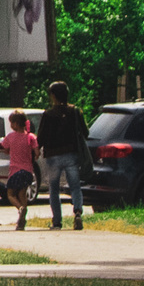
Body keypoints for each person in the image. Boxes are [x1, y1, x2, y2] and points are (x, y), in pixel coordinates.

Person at [36, 80, 87, 231]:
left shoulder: (48, 114)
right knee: (75, 186)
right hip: (71, 153)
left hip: (53, 156)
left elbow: (42, 136)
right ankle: (77, 212)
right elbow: (85, 132)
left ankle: (57, 221)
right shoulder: (75, 111)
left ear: (53, 95)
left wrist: (37, 148)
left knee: (54, 189)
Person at [0, 109, 39, 231]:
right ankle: (22, 219)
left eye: (11, 123)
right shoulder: (31, 137)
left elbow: (5, 148)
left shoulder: (10, 137)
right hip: (28, 171)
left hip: (15, 171)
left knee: (10, 194)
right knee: (22, 193)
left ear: (15, 124)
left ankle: (20, 209)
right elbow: (37, 152)